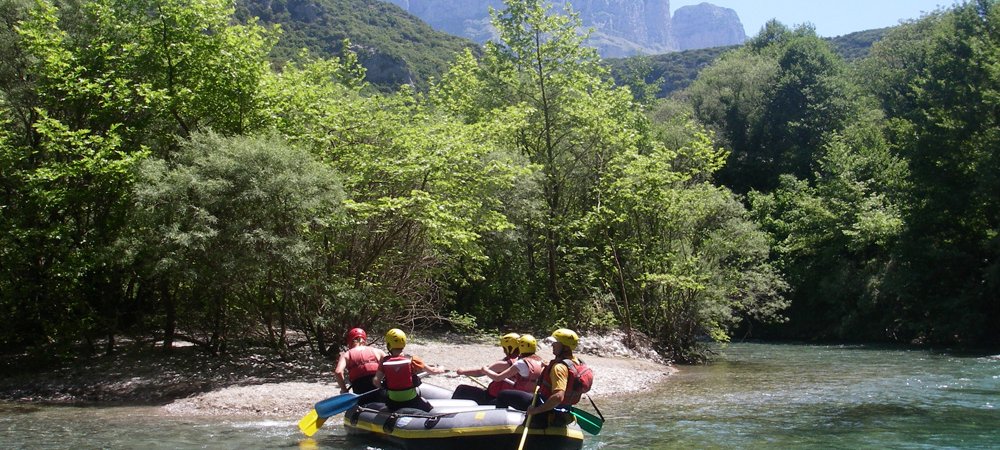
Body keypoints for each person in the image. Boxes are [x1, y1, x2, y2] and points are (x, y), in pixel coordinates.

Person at [506, 329, 593, 428]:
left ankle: (500, 429)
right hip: (564, 408)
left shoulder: (559, 368)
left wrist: (535, 410)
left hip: (547, 409)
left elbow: (558, 397)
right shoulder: (577, 362)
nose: (553, 345)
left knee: (504, 395)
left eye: (556, 343)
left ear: (564, 347)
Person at [372, 328, 448, 412]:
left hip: (392, 402)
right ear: (404, 343)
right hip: (412, 401)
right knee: (429, 409)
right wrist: (441, 368)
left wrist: (386, 388)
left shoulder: (384, 361)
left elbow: (376, 381)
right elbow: (433, 371)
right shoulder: (413, 360)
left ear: (388, 345)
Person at [451, 332, 521, 405]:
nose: (504, 351)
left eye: (504, 348)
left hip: (492, 399)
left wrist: (463, 371)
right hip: (509, 398)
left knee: (461, 389)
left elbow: (480, 372)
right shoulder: (524, 362)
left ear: (509, 348)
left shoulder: (505, 364)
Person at [486, 334, 545, 406]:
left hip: (527, 398)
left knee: (502, 394)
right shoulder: (541, 361)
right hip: (536, 397)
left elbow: (498, 378)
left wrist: (485, 370)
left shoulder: (521, 363)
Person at [333, 327, 386, 404]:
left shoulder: (347, 354)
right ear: (364, 340)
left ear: (350, 341)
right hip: (378, 389)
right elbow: (389, 364)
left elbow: (338, 372)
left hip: (360, 390)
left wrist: (344, 390)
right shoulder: (377, 351)